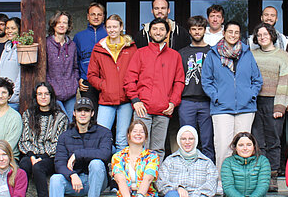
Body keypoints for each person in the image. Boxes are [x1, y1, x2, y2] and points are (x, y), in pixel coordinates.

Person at [202, 20, 263, 179]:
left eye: (236, 32)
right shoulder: (213, 54)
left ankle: (242, 180)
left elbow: (257, 80)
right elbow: (206, 81)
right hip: (221, 108)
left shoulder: (247, 53)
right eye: (230, 32)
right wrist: (216, 97)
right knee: (223, 146)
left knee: (244, 146)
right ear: (224, 33)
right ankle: (223, 181)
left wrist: (251, 94)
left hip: (245, 108)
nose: (233, 35)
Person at [47, 98, 111, 197]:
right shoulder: (65, 136)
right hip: (75, 182)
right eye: (79, 110)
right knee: (55, 179)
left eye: (86, 110)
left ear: (92, 113)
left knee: (96, 163)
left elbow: (105, 154)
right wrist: (71, 175)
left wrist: (78, 154)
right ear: (74, 113)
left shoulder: (103, 133)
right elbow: (59, 162)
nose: (83, 114)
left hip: (96, 181)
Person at [124, 17, 185, 159]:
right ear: (150, 33)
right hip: (142, 109)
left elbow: (179, 81)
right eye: (155, 29)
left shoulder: (174, 56)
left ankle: (155, 181)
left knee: (158, 149)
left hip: (163, 109)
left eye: (162, 29)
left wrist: (173, 102)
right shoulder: (140, 53)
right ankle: (139, 180)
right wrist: (135, 100)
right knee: (139, 146)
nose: (158, 32)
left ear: (167, 33)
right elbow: (130, 79)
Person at [18, 82, 68, 197]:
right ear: (35, 96)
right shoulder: (28, 115)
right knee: (24, 165)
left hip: (51, 157)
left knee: (38, 167)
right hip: (31, 154)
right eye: (40, 94)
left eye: (46, 94)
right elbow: (24, 139)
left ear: (51, 96)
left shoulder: (60, 117)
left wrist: (43, 156)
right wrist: (32, 155)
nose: (43, 97)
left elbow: (59, 142)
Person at [250, 22, 288, 192]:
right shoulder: (251, 55)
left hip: (274, 101)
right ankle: (263, 176)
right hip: (255, 102)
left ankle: (273, 175)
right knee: (258, 141)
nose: (262, 37)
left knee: (273, 140)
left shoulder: (283, 56)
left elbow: (284, 82)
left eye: (265, 34)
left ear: (272, 35)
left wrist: (279, 107)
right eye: (259, 35)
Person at [88, 14, 137, 151]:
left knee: (122, 139)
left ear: (121, 27)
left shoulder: (131, 48)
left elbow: (137, 72)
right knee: (101, 137)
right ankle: (104, 169)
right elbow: (91, 75)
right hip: (106, 100)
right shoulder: (99, 48)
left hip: (125, 100)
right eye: (109, 27)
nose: (112, 30)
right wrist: (104, 86)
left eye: (115, 26)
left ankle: (119, 170)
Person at [179, 15, 214, 160]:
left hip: (207, 101)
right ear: (189, 31)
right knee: (187, 140)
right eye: (194, 29)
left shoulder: (213, 52)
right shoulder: (182, 53)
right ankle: (187, 172)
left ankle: (209, 172)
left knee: (207, 140)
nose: (197, 32)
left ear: (205, 30)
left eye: (200, 29)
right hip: (186, 101)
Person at [46, 10, 80, 121]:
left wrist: (75, 83)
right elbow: (43, 69)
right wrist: (49, 87)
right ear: (53, 24)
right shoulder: (46, 44)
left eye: (65, 22)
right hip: (53, 93)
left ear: (68, 26)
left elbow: (75, 67)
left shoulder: (72, 45)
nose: (62, 25)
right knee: (63, 121)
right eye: (59, 22)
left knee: (71, 123)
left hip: (70, 93)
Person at [74, 3, 108, 108]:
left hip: (106, 80)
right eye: (93, 14)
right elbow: (75, 61)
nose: (96, 17)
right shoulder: (79, 37)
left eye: (99, 14)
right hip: (87, 82)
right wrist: (79, 78)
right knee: (90, 113)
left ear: (103, 17)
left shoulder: (109, 34)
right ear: (88, 17)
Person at [0, 17, 22, 110]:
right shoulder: (6, 48)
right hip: (2, 98)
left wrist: (13, 95)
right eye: (7, 28)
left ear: (19, 30)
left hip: (13, 100)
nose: (9, 31)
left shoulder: (21, 48)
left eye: (13, 28)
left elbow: (21, 75)